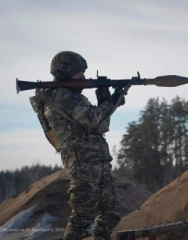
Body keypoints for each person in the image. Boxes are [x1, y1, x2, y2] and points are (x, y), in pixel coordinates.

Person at [29, 51, 123, 240]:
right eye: (79, 72)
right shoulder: (60, 96)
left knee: (111, 213)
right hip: (82, 164)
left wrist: (106, 102)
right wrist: (111, 102)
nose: (83, 77)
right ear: (64, 73)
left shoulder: (75, 98)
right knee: (82, 218)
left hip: (98, 161)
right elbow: (90, 119)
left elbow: (101, 125)